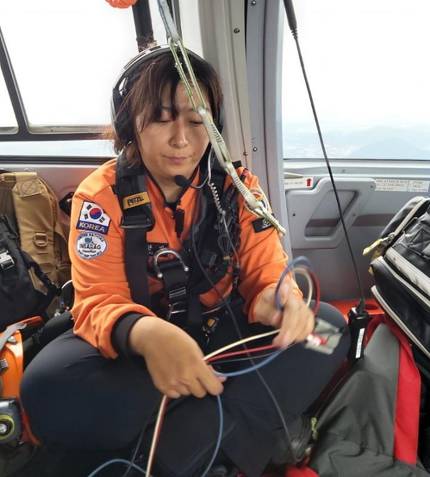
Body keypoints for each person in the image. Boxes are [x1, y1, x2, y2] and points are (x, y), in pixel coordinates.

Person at [21, 46, 350, 477]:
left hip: (221, 334)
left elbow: (265, 271)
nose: (182, 139)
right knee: (45, 387)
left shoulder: (237, 187)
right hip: (141, 350)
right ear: (130, 123)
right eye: (162, 119)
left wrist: (279, 300)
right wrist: (148, 334)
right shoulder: (100, 197)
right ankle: (227, 433)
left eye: (197, 121)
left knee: (328, 330)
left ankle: (171, 453)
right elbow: (98, 299)